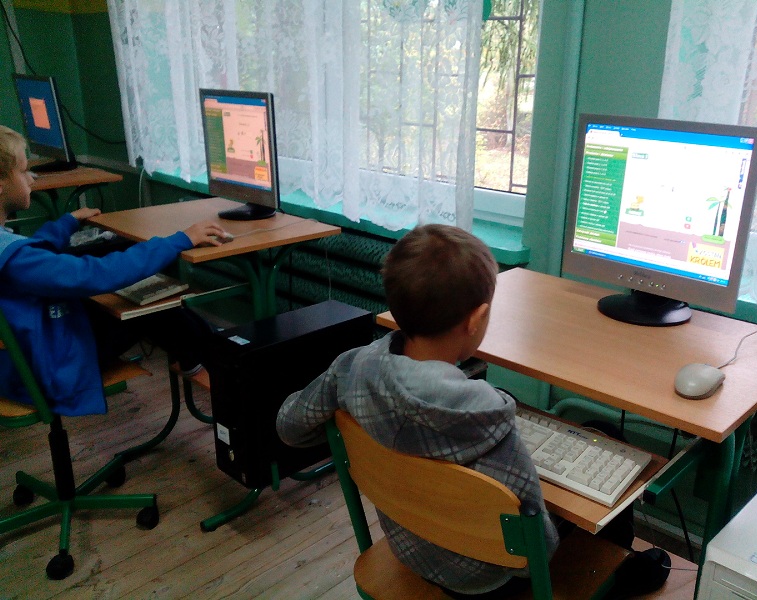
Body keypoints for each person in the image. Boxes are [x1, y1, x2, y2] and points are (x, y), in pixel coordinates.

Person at [277, 223, 672, 598]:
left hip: (409, 546)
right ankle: (615, 575)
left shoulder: (350, 369)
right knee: (606, 436)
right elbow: (537, 548)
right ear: (477, 319)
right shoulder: (490, 424)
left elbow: (289, 426)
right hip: (488, 583)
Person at [0, 124, 227, 417]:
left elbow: (29, 254)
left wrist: (67, 222)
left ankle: (198, 354)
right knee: (153, 308)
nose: (31, 178)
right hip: (46, 370)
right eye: (23, 171)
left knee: (117, 268)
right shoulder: (18, 260)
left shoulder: (9, 249)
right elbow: (96, 274)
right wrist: (181, 239)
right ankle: (216, 365)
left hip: (28, 352)